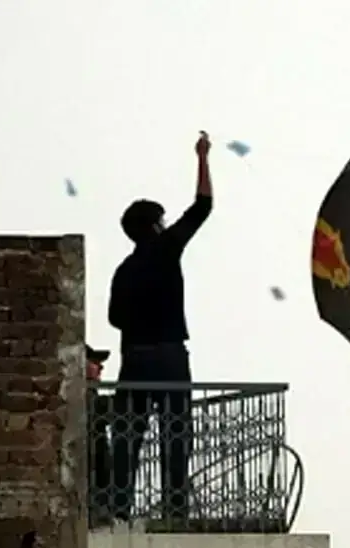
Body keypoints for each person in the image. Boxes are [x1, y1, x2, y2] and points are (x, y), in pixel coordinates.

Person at [107, 131, 213, 521]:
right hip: (168, 358)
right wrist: (202, 158)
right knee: (175, 435)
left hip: (133, 361)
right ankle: (174, 507)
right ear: (154, 226)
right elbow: (202, 206)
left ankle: (118, 506)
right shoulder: (165, 249)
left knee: (127, 437)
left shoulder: (124, 269)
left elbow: (114, 318)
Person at [85, 344, 112, 526]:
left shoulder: (91, 392)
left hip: (97, 460)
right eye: (95, 362)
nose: (100, 368)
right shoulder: (81, 393)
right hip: (90, 459)